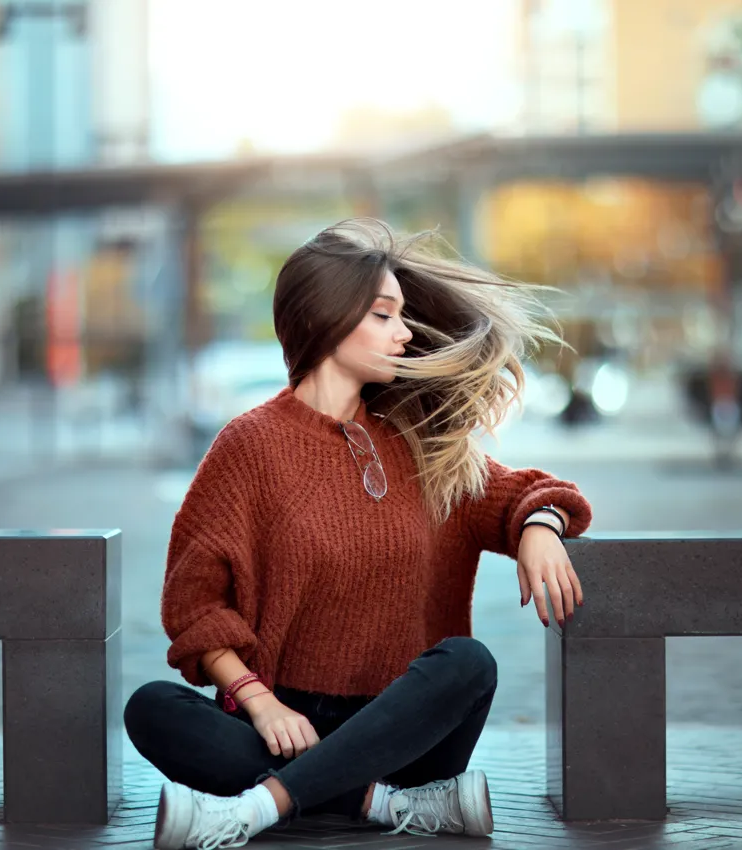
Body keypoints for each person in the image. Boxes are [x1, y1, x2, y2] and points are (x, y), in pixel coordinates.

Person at [125, 218, 593, 850]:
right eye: (383, 315)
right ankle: (386, 806)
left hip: (404, 733)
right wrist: (260, 703)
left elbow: (531, 494)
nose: (405, 333)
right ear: (327, 316)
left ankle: (255, 810)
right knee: (152, 708)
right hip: (284, 727)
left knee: (469, 663)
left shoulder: (418, 443)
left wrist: (539, 525)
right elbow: (196, 606)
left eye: (402, 316)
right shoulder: (248, 447)